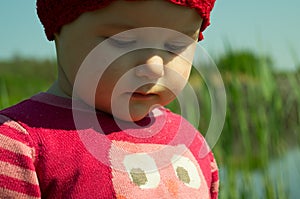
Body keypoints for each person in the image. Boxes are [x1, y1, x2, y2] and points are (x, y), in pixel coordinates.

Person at [0, 0, 219, 198]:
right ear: (58, 28)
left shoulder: (192, 143)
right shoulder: (18, 144)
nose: (153, 67)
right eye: (123, 41)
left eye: (175, 47)